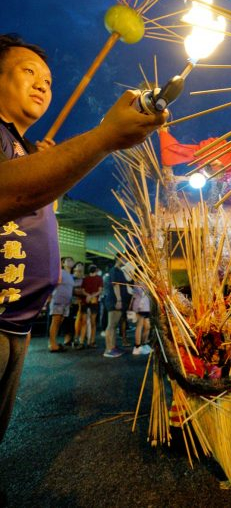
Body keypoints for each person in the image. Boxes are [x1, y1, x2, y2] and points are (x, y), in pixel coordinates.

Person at [0, 33, 168, 442]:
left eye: (49, 80)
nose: (43, 85)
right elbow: (9, 191)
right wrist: (104, 136)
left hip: (16, 322)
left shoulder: (22, 147)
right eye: (29, 72)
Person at [48, 256, 75, 352]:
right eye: (68, 260)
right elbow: (52, 284)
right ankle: (52, 345)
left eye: (72, 260)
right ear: (63, 263)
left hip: (66, 303)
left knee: (59, 323)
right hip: (58, 301)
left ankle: (53, 342)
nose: (70, 261)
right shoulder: (60, 272)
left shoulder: (71, 276)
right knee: (55, 322)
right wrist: (49, 297)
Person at [103, 253, 127, 358]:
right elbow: (116, 285)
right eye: (125, 258)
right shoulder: (114, 270)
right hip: (114, 300)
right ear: (119, 258)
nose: (126, 260)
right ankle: (108, 349)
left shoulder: (120, 271)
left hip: (117, 300)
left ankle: (113, 347)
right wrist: (119, 300)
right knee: (111, 325)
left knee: (114, 325)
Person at [78, 264, 103, 348]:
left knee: (89, 322)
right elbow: (99, 290)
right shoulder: (94, 278)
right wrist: (91, 296)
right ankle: (87, 341)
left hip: (88, 301)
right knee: (89, 322)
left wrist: (88, 296)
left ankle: (87, 341)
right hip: (91, 301)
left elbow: (83, 290)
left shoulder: (89, 278)